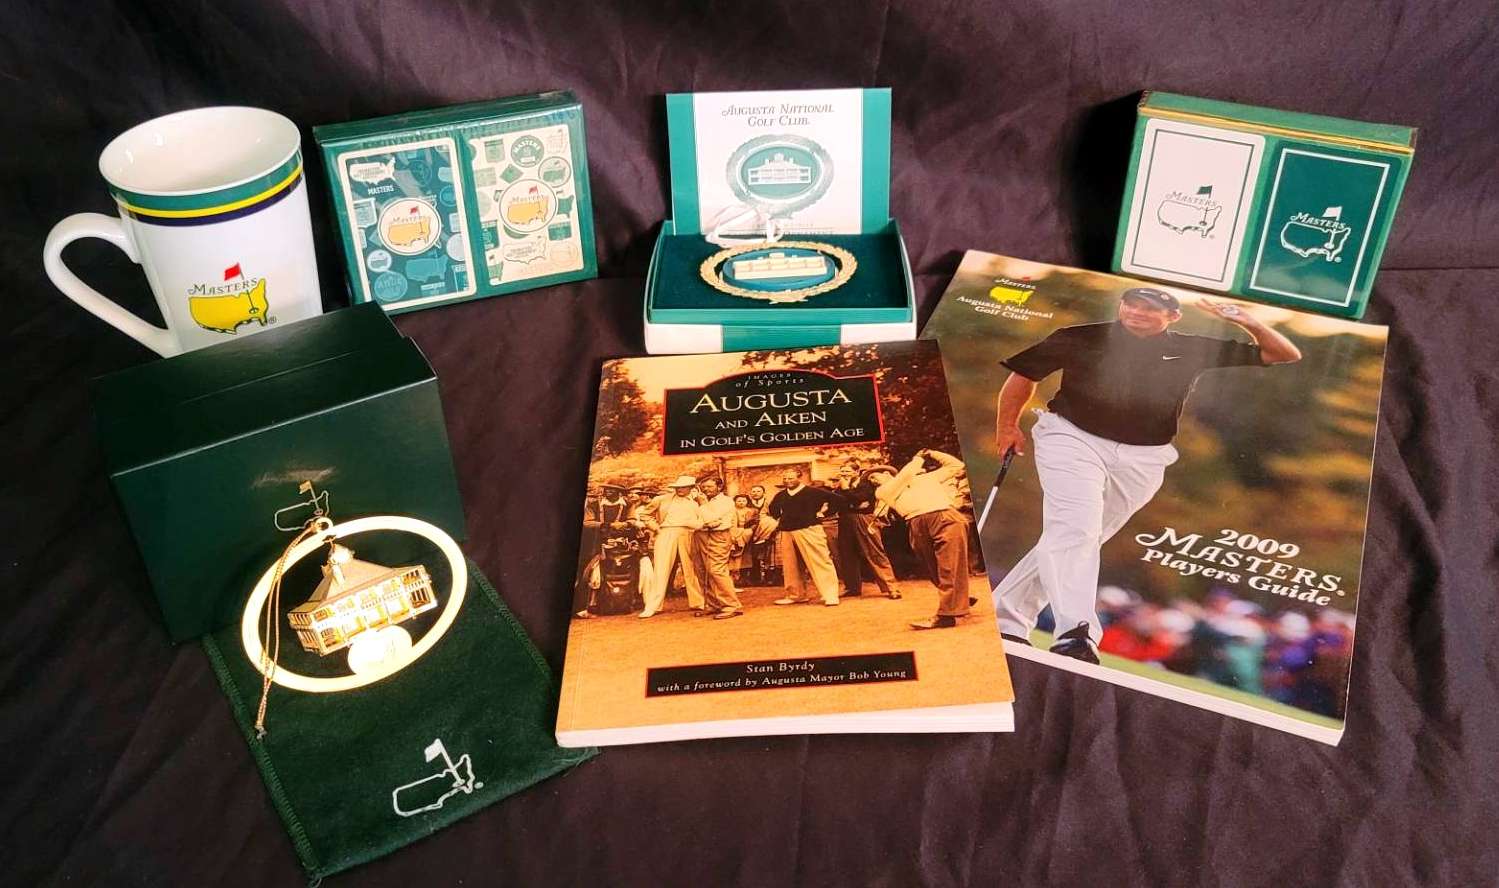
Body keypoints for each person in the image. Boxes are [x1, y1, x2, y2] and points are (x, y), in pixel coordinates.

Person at [991, 288, 1302, 662]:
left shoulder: (1192, 347)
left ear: (1172, 317)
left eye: (1150, 308)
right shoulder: (1080, 336)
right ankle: (1076, 633)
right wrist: (1006, 427)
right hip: (1070, 436)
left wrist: (1247, 321)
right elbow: (1024, 375)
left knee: (1081, 537)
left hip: (1145, 457)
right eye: (1131, 304)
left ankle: (1005, 618)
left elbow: (1284, 354)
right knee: (1076, 530)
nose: (1137, 312)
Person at [869, 450, 972, 629]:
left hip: (944, 517)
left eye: (874, 476)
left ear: (887, 473)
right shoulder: (882, 491)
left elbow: (957, 466)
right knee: (932, 568)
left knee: (948, 566)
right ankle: (957, 599)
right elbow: (904, 476)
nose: (872, 481)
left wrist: (933, 453)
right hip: (915, 523)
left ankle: (946, 615)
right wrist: (918, 459)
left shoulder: (927, 478)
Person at [766, 467, 841, 606]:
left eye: (791, 478)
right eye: (785, 478)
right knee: (791, 566)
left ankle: (830, 595)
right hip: (787, 531)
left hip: (810, 529)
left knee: (820, 562)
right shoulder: (781, 495)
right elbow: (773, 509)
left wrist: (823, 513)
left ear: (799, 478)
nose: (787, 481)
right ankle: (796, 595)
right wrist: (781, 519)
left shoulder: (813, 492)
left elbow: (837, 500)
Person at [637, 475, 705, 618]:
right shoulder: (661, 499)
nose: (680, 489)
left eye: (683, 487)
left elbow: (700, 520)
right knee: (661, 569)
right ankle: (653, 606)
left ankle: (697, 602)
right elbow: (645, 515)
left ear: (691, 488)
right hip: (666, 532)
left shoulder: (694, 503)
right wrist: (656, 528)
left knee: (690, 568)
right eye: (677, 487)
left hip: (688, 534)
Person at [836, 462, 900, 599]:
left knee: (874, 552)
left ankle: (891, 587)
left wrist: (847, 491)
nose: (844, 474)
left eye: (847, 471)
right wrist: (853, 501)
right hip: (845, 520)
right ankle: (852, 588)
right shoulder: (839, 486)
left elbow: (860, 499)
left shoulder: (867, 484)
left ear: (856, 472)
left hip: (864, 518)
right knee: (847, 554)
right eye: (842, 471)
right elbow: (839, 503)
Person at [691, 478, 744, 619]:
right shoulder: (699, 500)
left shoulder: (725, 501)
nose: (706, 489)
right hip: (700, 535)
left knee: (716, 570)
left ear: (719, 487)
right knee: (702, 571)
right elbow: (698, 521)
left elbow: (711, 520)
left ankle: (732, 606)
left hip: (718, 536)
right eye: (704, 487)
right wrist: (705, 520)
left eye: (709, 486)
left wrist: (703, 506)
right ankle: (713, 604)